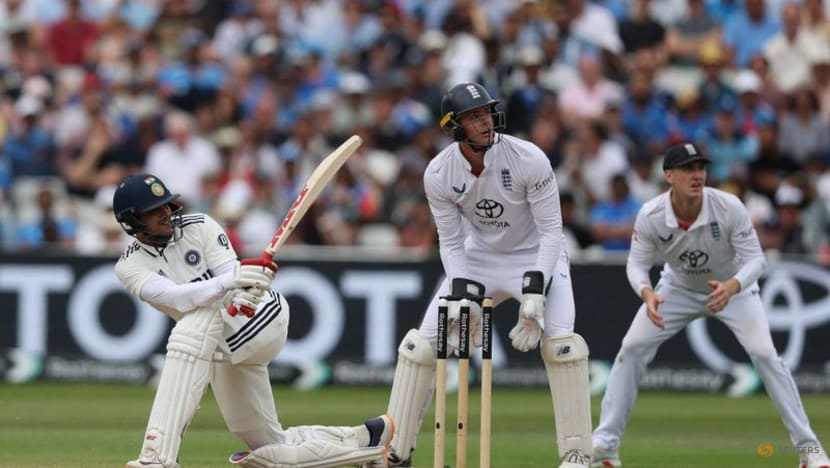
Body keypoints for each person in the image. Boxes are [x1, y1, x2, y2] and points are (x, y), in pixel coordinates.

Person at [112, 173, 394, 468]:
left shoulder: (201, 226)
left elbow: (229, 274)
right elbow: (174, 298)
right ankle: (368, 443)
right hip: (220, 345)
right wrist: (229, 285)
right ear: (133, 220)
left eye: (167, 205)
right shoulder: (129, 266)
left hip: (262, 319)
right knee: (268, 448)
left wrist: (244, 288)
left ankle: (157, 457)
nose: (166, 214)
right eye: (155, 210)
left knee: (193, 325)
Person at [381, 83, 592, 467]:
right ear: (454, 127)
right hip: (479, 257)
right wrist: (463, 294)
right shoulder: (439, 174)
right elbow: (451, 241)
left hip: (536, 254)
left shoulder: (529, 158)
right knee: (421, 348)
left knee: (563, 347)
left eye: (487, 113)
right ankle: (396, 451)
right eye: (475, 116)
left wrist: (535, 291)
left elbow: (551, 233)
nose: (486, 121)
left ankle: (577, 455)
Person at [591, 144, 830, 468]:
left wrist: (733, 286)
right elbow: (636, 264)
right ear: (669, 176)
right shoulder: (651, 214)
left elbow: (756, 259)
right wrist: (647, 292)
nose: (697, 175)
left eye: (701, 168)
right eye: (688, 169)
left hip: (734, 290)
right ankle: (605, 448)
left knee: (764, 354)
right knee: (631, 347)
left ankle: (809, 449)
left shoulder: (728, 206)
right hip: (676, 289)